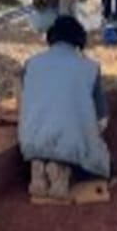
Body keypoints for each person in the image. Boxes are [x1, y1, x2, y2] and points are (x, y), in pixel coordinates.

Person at [19, 15, 109, 199]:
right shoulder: (90, 67)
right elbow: (102, 119)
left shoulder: (31, 64)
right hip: (69, 145)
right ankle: (61, 170)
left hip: (29, 143)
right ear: (79, 39)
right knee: (101, 165)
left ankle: (39, 168)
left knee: (50, 142)